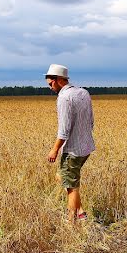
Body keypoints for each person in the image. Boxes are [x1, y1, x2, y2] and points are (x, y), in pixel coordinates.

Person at [45, 64, 95, 225]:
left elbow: (64, 129)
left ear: (59, 80)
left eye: (51, 84)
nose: (50, 88)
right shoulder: (84, 93)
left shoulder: (64, 98)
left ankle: (71, 222)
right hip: (86, 147)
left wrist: (54, 150)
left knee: (71, 187)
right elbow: (91, 121)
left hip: (73, 149)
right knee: (63, 177)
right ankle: (81, 213)